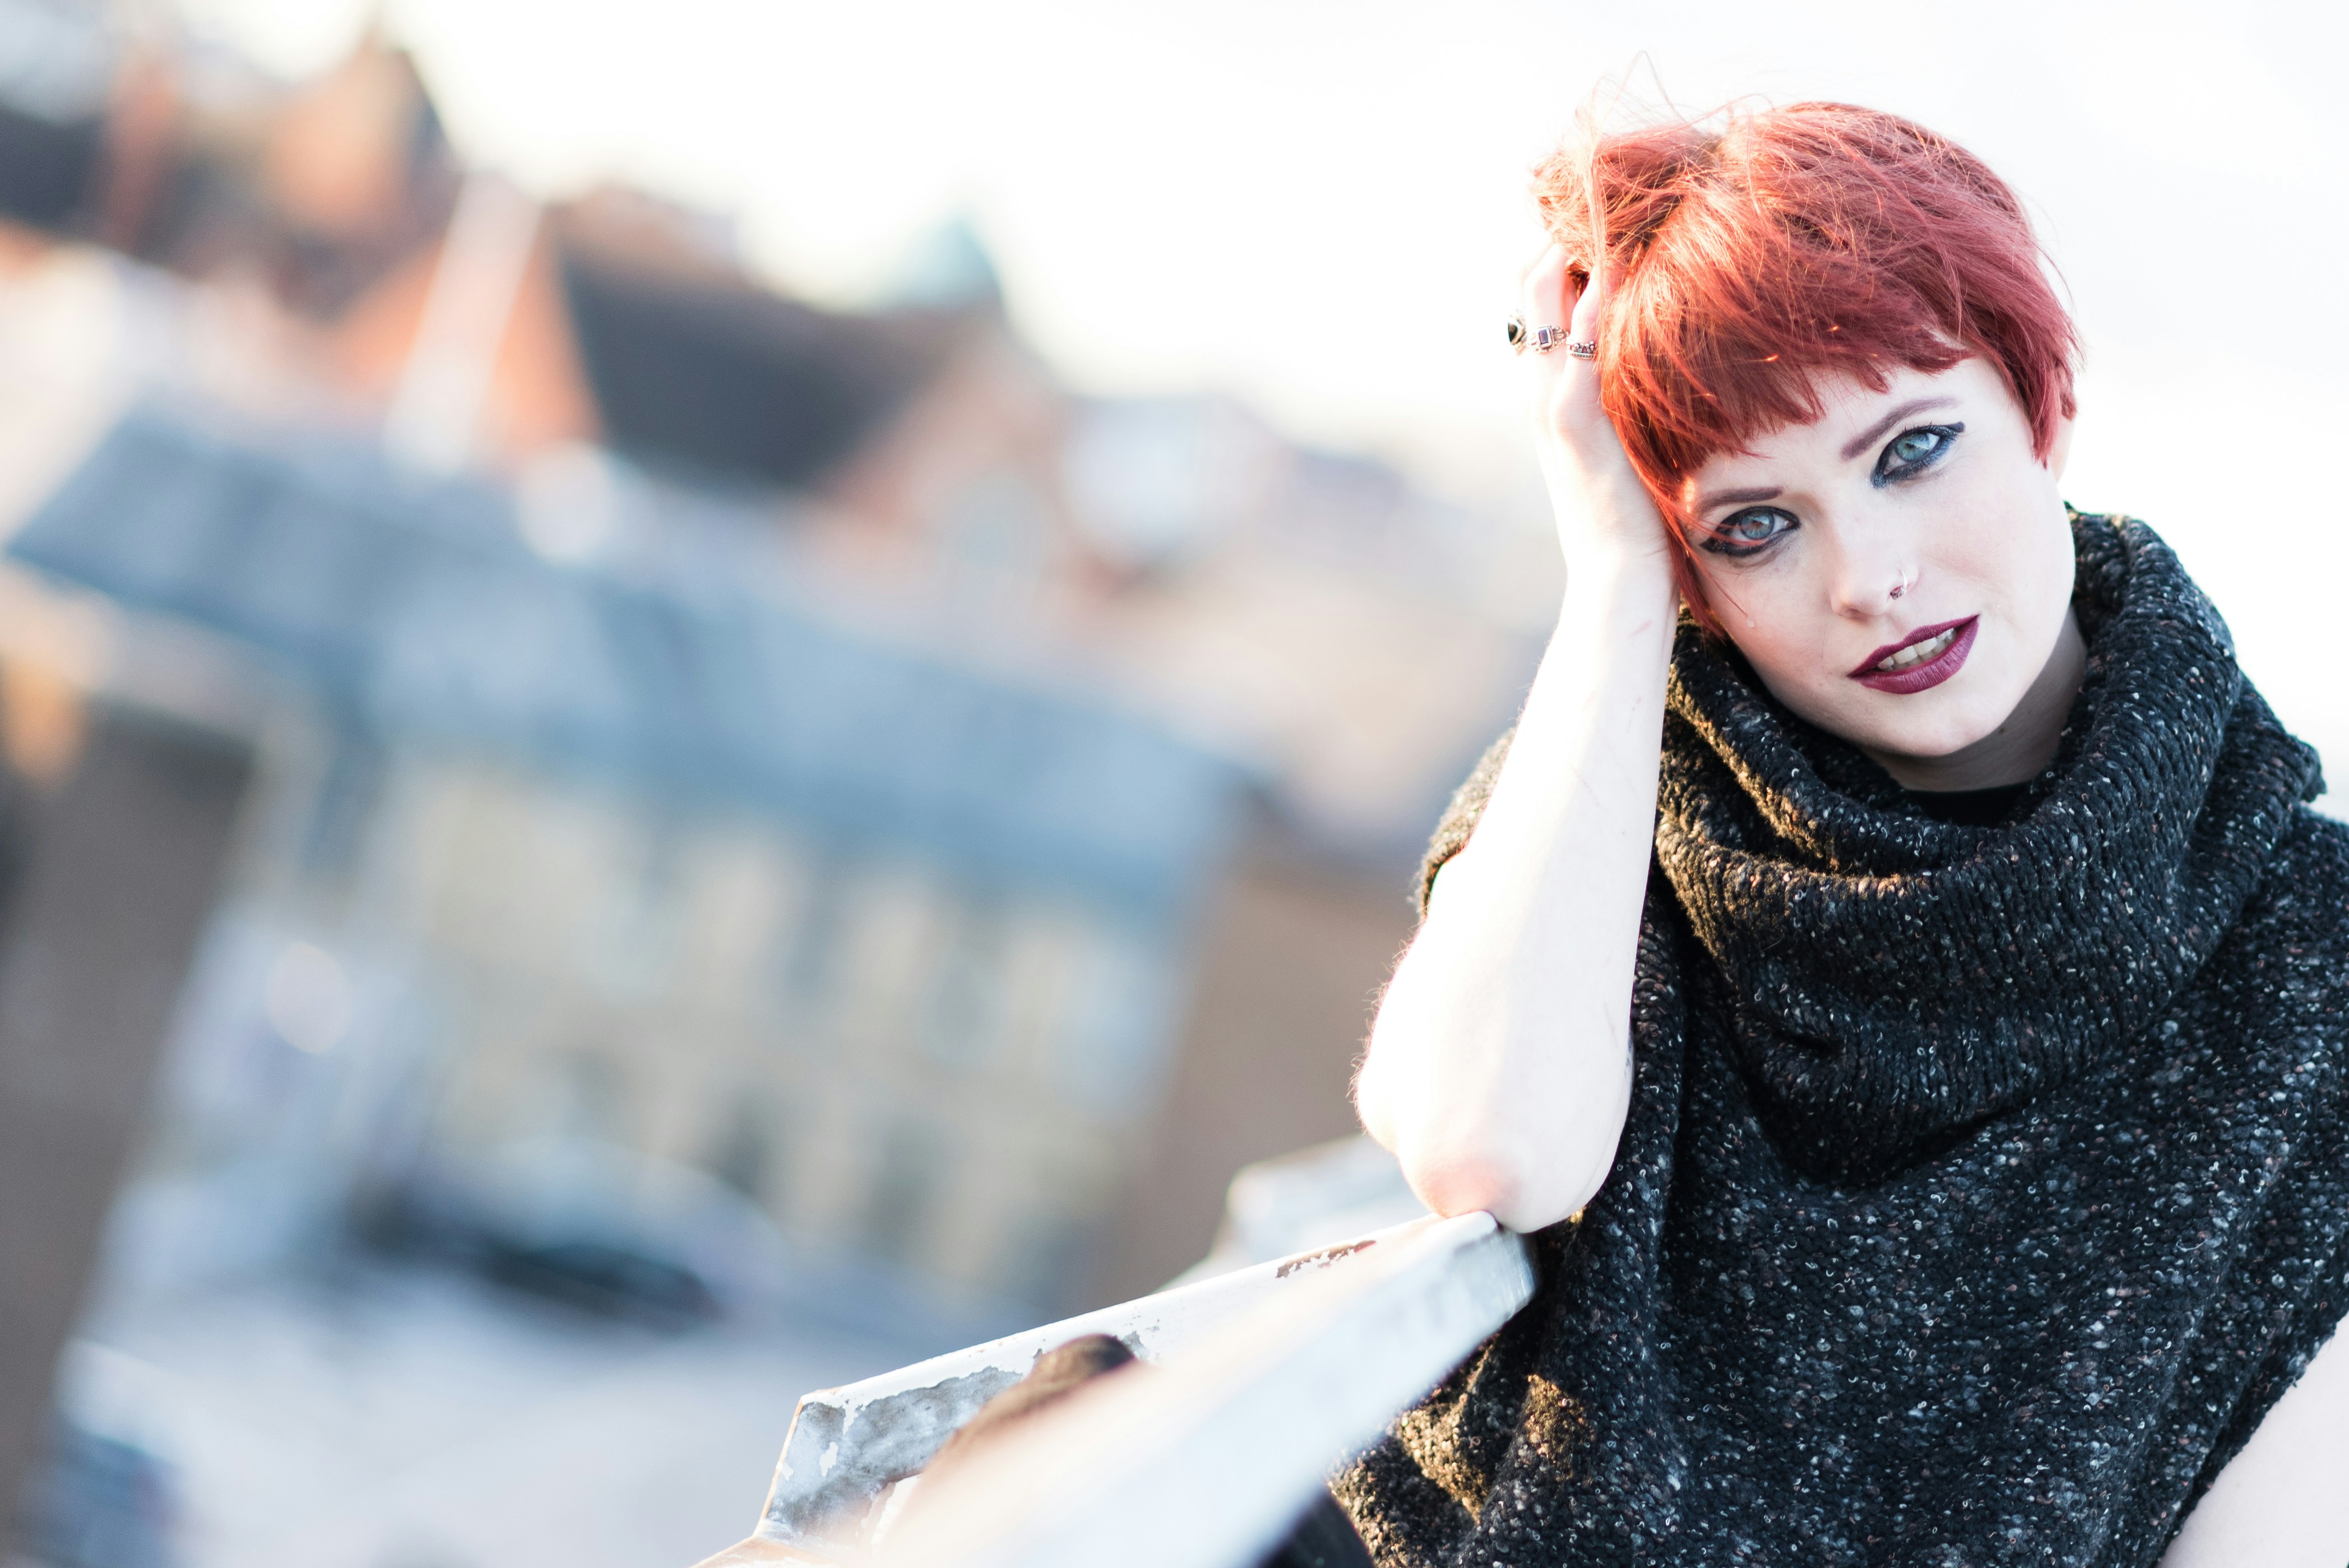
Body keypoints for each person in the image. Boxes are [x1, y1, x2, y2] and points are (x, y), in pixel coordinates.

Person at [1341, 101, 2349, 1566]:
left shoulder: (2310, 951)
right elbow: (1490, 1149)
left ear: (2037, 402)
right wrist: (1621, 571)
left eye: (1913, 450)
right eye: (1755, 527)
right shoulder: (1621, 793)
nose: (1868, 578)